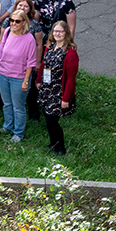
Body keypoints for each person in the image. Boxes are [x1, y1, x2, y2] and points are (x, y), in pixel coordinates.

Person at [0, 7, 38, 143]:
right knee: (7, 103)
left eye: (17, 21)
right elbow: (0, 51)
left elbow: (31, 62)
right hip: (3, 74)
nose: (13, 23)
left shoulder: (29, 39)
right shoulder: (7, 32)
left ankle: (18, 132)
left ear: (24, 22)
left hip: (19, 77)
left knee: (18, 107)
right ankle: (8, 125)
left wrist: (26, 81)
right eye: (11, 20)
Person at [37, 21, 78, 156]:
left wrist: (66, 98)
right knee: (48, 120)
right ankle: (53, 143)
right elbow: (44, 64)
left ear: (66, 33)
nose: (57, 34)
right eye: (55, 31)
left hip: (58, 92)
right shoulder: (51, 46)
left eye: (60, 31)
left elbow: (71, 78)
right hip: (47, 89)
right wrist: (38, 80)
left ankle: (60, 148)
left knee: (52, 120)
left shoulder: (70, 53)